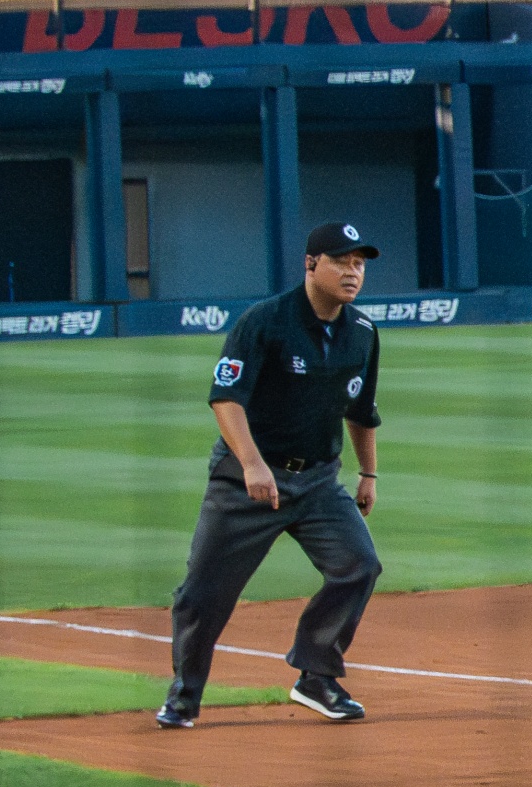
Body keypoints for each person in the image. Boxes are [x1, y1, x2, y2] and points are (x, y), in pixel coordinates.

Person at [160, 223, 386, 729]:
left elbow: (362, 410)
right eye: (341, 261)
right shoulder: (264, 322)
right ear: (311, 265)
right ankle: (184, 695)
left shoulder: (363, 332)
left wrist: (368, 472)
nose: (353, 272)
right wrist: (251, 462)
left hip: (319, 482)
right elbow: (226, 398)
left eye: (359, 264)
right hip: (246, 484)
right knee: (203, 593)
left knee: (359, 566)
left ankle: (316, 676)